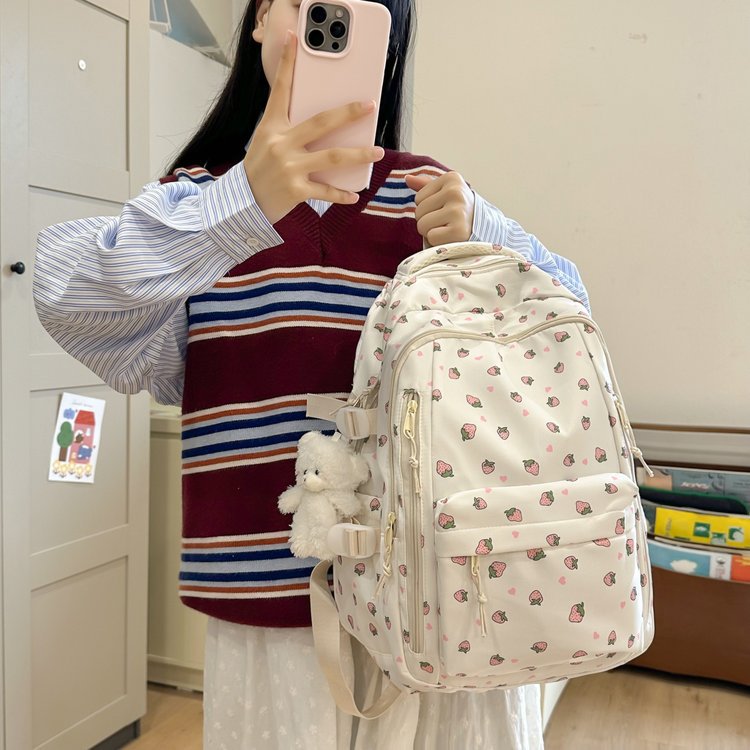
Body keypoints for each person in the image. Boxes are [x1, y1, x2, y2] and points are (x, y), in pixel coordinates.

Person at [34, 1, 589, 747]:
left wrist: (483, 239)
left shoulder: (431, 196)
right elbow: (64, 294)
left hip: (443, 591)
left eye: (360, 12)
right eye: (307, 4)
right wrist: (243, 204)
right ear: (261, 17)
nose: (329, 30)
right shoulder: (194, 205)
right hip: (266, 599)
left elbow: (570, 327)